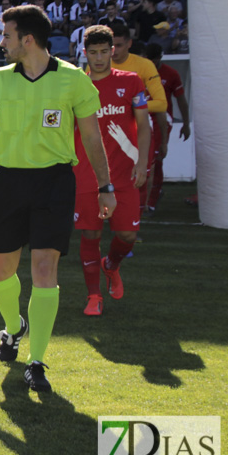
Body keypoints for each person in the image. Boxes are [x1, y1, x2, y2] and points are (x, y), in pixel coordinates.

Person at [0, 5, 115, 393]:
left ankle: (38, 361)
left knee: (45, 269)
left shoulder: (73, 80)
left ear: (27, 39)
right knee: (2, 270)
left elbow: (92, 138)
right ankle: (14, 328)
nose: (1, 42)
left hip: (55, 184)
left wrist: (105, 185)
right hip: (9, 182)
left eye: (6, 35)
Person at [74, 25, 151, 316]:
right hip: (86, 174)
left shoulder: (131, 82)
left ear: (113, 51)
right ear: (85, 53)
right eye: (93, 52)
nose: (99, 57)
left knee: (127, 235)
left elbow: (143, 125)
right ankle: (94, 296)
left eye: (104, 51)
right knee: (90, 234)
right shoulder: (77, 85)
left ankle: (111, 265)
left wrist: (143, 162)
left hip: (124, 174)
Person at [107, 23, 168, 217]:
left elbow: (161, 104)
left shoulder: (144, 66)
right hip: (107, 128)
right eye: (111, 46)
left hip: (137, 128)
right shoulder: (98, 64)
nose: (114, 51)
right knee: (105, 173)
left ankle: (136, 219)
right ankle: (109, 212)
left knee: (143, 176)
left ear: (129, 43)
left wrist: (129, 108)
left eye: (120, 45)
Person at [143, 43, 190, 214]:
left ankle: (151, 200)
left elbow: (181, 100)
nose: (152, 65)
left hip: (162, 120)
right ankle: (147, 195)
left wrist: (185, 123)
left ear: (160, 58)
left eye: (155, 62)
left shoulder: (171, 74)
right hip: (141, 117)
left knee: (155, 160)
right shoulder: (139, 72)